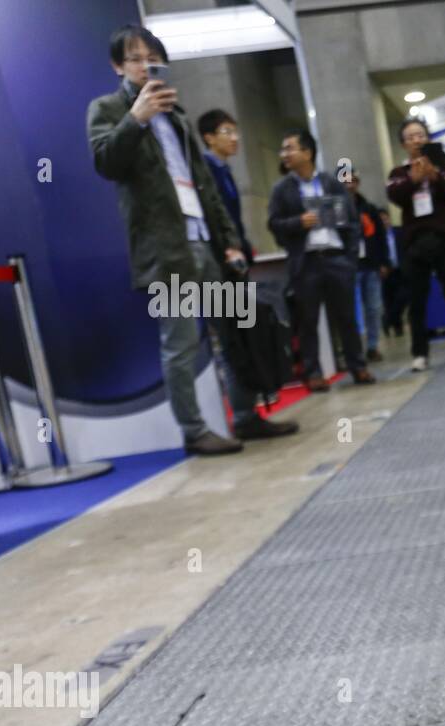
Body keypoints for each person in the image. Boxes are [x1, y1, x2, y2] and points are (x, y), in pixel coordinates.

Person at [87, 24, 297, 455]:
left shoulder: (179, 117)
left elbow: (205, 185)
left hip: (205, 243)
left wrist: (230, 240)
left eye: (153, 56)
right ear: (117, 66)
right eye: (135, 58)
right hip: (166, 251)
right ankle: (194, 430)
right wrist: (136, 118)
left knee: (234, 332)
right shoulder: (106, 108)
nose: (146, 64)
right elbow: (105, 161)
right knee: (180, 341)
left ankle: (245, 416)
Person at [267, 129, 375, 392]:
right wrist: (298, 222)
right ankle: (313, 373)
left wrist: (349, 260)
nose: (284, 154)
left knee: (347, 318)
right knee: (307, 321)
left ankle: (357, 366)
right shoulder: (282, 189)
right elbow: (274, 224)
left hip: (336, 259)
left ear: (308, 152)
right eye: (283, 150)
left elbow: (351, 223)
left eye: (289, 148)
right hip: (306, 262)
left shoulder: (332, 183)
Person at [386, 117, 445, 369]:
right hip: (415, 242)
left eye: (421, 135)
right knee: (417, 300)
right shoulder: (398, 173)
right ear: (404, 144)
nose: (417, 140)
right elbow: (395, 196)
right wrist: (413, 179)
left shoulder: (444, 167)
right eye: (411, 137)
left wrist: (434, 175)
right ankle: (420, 354)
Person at [343, 170, 389, 361]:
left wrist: (384, 262)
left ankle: (372, 345)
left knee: (374, 307)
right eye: (346, 182)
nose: (350, 185)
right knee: (353, 310)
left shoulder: (369, 209)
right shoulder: (336, 209)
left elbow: (380, 237)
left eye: (353, 181)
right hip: (348, 266)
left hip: (370, 265)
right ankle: (355, 350)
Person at [197, 108, 253, 267]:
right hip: (220, 254)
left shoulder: (225, 170)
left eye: (235, 132)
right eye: (227, 132)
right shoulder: (204, 170)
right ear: (209, 138)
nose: (234, 138)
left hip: (236, 250)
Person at [378, 208, 406, 337]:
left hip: (401, 270)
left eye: (385, 218)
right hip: (386, 272)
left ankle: (387, 319)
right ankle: (397, 327)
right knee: (390, 300)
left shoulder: (399, 231)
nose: (384, 221)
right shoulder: (377, 237)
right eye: (381, 219)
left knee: (402, 297)